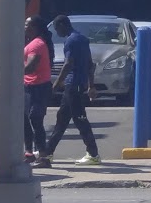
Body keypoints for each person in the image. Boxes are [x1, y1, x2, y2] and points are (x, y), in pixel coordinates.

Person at [37, 15, 100, 167]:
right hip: (79, 85)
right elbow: (90, 64)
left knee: (80, 120)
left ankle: (93, 154)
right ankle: (48, 153)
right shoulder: (83, 39)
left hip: (73, 85)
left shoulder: (70, 41)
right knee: (62, 119)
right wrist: (91, 85)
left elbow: (68, 64)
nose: (57, 32)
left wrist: (56, 84)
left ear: (63, 25)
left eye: (57, 28)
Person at [23, 17, 52, 162]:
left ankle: (43, 156)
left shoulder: (37, 44)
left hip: (38, 87)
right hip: (29, 87)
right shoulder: (32, 42)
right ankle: (28, 151)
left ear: (34, 27)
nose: (24, 27)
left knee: (36, 120)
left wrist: (12, 72)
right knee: (25, 119)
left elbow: (30, 67)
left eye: (27, 24)